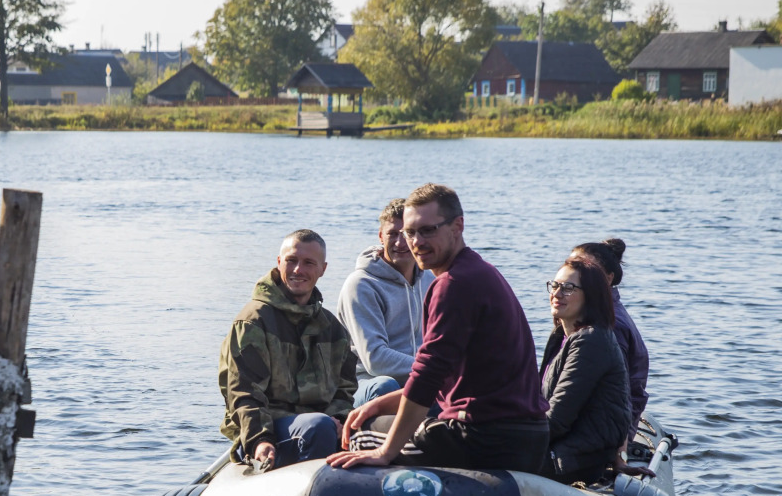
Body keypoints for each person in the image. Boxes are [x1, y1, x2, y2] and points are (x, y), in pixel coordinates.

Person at [329, 184, 548, 474]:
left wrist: (385, 452)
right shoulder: (482, 272)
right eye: (410, 232)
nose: (415, 242)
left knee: (359, 433)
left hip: (482, 439)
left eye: (428, 230)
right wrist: (380, 404)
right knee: (374, 415)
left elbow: (429, 374)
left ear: (458, 226)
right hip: (529, 436)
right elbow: (442, 377)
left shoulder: (450, 285)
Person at [219, 230, 358, 470]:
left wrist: (339, 419)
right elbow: (243, 393)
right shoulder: (253, 322)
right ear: (279, 262)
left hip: (321, 424)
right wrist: (259, 440)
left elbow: (345, 388)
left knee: (373, 421)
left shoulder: (331, 327)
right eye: (291, 261)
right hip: (271, 428)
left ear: (323, 269)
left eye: (308, 263)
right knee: (317, 426)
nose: (297, 270)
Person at [539, 255, 633, 485]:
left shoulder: (592, 341)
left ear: (591, 296)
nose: (557, 293)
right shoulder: (563, 336)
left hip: (571, 461)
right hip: (561, 451)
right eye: (555, 285)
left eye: (568, 288)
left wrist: (510, 442)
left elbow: (558, 418)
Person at [336, 198, 435, 408]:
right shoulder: (362, 285)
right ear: (381, 236)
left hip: (421, 377)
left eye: (406, 233)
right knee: (385, 386)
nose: (400, 243)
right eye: (392, 234)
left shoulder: (430, 279)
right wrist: (432, 370)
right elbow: (376, 359)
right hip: (365, 384)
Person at [571, 238, 650, 431]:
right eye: (571, 266)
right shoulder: (589, 315)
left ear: (607, 278)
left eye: (584, 269)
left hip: (606, 431)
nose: (572, 274)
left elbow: (619, 395)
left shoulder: (610, 325)